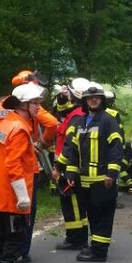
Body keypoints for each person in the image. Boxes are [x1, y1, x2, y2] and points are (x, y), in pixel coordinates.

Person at [0, 69, 58, 263]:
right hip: (20, 173)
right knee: (20, 222)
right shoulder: (19, 123)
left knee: (0, 224)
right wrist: (41, 144)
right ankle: (19, 254)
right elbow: (52, 124)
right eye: (35, 102)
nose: (38, 105)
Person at [0, 82, 46, 263]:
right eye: (35, 103)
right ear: (23, 105)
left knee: (0, 237)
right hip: (12, 196)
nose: (39, 107)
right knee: (14, 238)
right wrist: (22, 196)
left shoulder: (7, 123)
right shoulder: (19, 128)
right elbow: (13, 165)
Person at [59, 83, 124, 263]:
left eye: (96, 98)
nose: (93, 100)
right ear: (85, 101)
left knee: (103, 216)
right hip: (84, 181)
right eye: (89, 98)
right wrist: (70, 174)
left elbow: (116, 148)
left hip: (103, 180)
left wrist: (112, 173)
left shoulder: (108, 120)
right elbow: (72, 149)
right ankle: (95, 246)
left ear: (102, 101)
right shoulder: (79, 122)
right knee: (92, 215)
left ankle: (99, 251)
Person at [52, 78, 91, 251]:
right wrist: (61, 98)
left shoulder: (76, 116)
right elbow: (60, 111)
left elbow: (69, 145)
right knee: (76, 204)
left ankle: (76, 239)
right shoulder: (78, 113)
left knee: (72, 203)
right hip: (72, 164)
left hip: (68, 166)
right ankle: (77, 236)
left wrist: (59, 167)